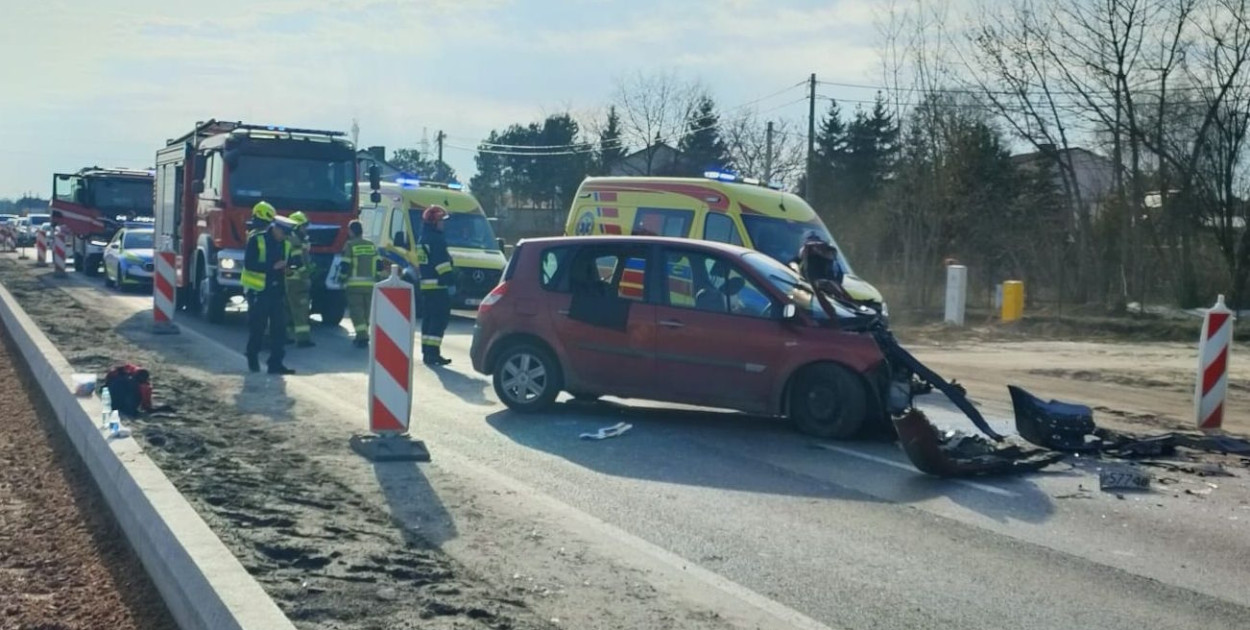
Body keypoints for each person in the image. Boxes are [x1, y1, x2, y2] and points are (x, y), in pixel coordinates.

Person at [242, 214, 296, 374]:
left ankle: (276, 363)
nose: (284, 237)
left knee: (279, 330)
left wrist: (288, 270)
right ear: (276, 228)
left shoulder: (285, 244)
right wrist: (272, 266)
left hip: (277, 291)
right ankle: (252, 356)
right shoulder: (257, 240)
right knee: (257, 328)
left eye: (287, 235)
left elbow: (289, 263)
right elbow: (249, 264)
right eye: (283, 233)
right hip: (258, 291)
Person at [417, 205, 455, 366]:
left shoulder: (423, 238)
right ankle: (433, 353)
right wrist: (452, 279)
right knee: (439, 320)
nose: (443, 224)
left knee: (428, 320)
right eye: (441, 221)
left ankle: (427, 352)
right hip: (439, 287)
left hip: (426, 287)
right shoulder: (436, 239)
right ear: (433, 222)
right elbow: (442, 265)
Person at [338, 220, 383, 348]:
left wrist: (341, 279)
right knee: (366, 311)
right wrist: (378, 279)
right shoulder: (371, 245)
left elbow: (345, 265)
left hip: (354, 286)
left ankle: (362, 336)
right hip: (371, 285)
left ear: (352, 232)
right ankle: (364, 333)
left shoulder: (350, 245)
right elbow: (379, 265)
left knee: (356, 312)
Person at [284, 211, 315, 347]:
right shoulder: (295, 241)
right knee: (301, 310)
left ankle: (284, 336)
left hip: (289, 281)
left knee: (287, 310)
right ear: (296, 227)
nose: (305, 229)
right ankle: (303, 340)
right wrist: (305, 275)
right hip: (297, 281)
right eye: (303, 226)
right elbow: (297, 261)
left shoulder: (292, 239)